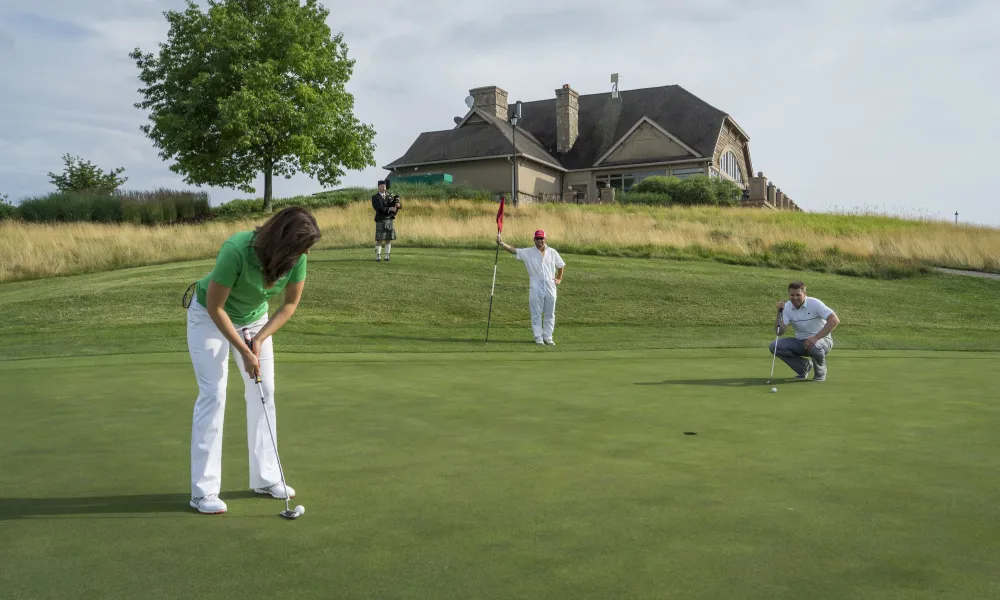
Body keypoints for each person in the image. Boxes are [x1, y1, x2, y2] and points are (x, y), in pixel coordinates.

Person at [184, 206, 321, 514]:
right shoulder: (236, 249)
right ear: (282, 240)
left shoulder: (297, 258)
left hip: (254, 320)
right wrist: (244, 351)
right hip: (208, 316)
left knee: (263, 391)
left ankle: (265, 478)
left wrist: (258, 340)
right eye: (300, 248)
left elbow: (290, 304)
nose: (304, 255)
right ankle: (202, 492)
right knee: (214, 395)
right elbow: (216, 308)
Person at [496, 229, 566, 345]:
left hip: (550, 284)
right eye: (537, 239)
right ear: (534, 239)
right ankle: (538, 336)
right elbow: (514, 250)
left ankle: (548, 336)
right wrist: (502, 243)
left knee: (550, 312)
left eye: (541, 238)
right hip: (535, 284)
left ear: (545, 239)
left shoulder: (552, 252)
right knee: (536, 312)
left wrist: (559, 278)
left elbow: (561, 265)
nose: (539, 241)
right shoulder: (528, 252)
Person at [769, 281, 840, 382]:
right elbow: (779, 332)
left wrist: (815, 338)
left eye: (798, 295)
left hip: (822, 340)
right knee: (774, 346)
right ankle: (804, 367)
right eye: (792, 295)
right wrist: (779, 312)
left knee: (815, 346)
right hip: (802, 343)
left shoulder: (815, 303)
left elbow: (834, 320)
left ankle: (820, 373)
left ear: (805, 294)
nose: (795, 298)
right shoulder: (787, 307)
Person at [371, 180, 401, 262]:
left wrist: (398, 204)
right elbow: (378, 208)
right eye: (381, 186)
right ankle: (378, 257)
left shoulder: (390, 196)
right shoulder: (375, 197)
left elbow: (397, 203)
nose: (383, 187)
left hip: (389, 219)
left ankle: (387, 257)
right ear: (378, 187)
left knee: (388, 239)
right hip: (380, 219)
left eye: (384, 186)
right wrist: (389, 208)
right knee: (380, 239)